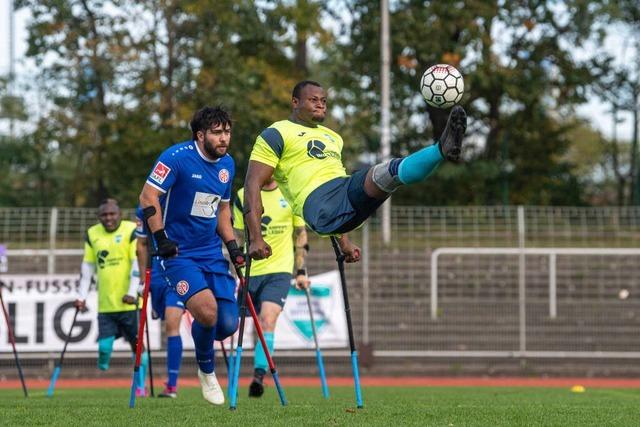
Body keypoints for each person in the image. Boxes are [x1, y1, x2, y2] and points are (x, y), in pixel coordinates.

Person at [243, 80, 467, 261]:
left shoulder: (333, 137)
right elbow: (253, 184)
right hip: (317, 204)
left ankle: (441, 150)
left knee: (391, 177)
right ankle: (440, 149)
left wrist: (345, 243)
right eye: (313, 100)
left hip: (343, 202)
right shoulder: (276, 133)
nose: (321, 105)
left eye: (324, 101)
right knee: (382, 173)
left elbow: (344, 191)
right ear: (295, 102)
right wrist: (255, 238)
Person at [138, 106, 244, 406]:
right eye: (217, 132)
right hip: (178, 254)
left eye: (227, 132)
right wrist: (161, 238)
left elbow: (222, 208)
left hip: (211, 252)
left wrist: (233, 246)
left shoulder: (228, 165)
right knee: (207, 312)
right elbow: (147, 196)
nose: (224, 138)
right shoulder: (176, 157)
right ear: (200, 135)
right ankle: (206, 371)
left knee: (226, 324)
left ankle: (203, 345)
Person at [233, 176, 310, 398]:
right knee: (254, 328)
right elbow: (238, 234)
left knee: (268, 320)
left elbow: (300, 233)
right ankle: (258, 368)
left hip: (279, 270)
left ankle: (258, 376)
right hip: (251, 271)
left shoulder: (290, 194)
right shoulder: (242, 195)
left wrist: (301, 270)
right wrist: (236, 265)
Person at [74, 198, 148, 397]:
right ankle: (103, 364)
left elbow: (136, 263)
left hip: (130, 304)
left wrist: (132, 293)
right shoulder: (92, 233)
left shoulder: (131, 229)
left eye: (112, 214)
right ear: (99, 217)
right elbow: (87, 267)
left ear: (119, 214)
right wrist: (81, 296)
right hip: (106, 304)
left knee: (138, 347)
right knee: (104, 346)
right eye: (104, 215)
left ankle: (140, 386)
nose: (108, 218)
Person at [135, 206, 185, 398]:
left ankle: (172, 385)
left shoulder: (183, 198)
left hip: (180, 270)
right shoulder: (144, 209)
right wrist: (142, 279)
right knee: (165, 324)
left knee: (173, 325)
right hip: (156, 275)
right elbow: (141, 245)